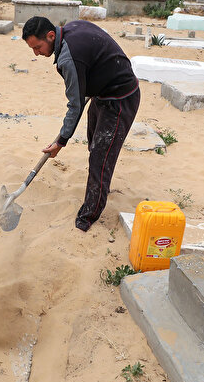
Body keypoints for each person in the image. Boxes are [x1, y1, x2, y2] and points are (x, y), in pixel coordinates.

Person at [22, 16, 140, 232]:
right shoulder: (71, 27)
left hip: (121, 98)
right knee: (94, 143)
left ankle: (87, 218)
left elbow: (75, 106)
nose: (36, 54)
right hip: (102, 94)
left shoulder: (69, 59)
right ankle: (100, 186)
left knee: (100, 155)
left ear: (51, 36)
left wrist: (61, 141)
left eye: (38, 47)